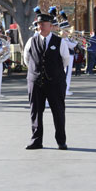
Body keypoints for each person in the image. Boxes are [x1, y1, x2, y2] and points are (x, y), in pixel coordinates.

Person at [23, 12, 70, 150]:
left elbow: (65, 60)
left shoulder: (60, 42)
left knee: (58, 111)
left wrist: (53, 72)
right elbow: (27, 59)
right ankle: (36, 140)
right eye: (38, 24)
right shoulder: (31, 41)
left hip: (55, 82)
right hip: (36, 81)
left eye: (43, 24)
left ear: (51, 26)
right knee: (36, 111)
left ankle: (61, 140)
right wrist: (36, 72)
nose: (40, 26)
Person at [59, 11, 77, 96]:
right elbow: (72, 45)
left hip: (70, 56)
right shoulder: (63, 39)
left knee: (68, 73)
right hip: (67, 56)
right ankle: (65, 89)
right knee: (67, 73)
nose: (68, 32)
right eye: (67, 30)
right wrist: (76, 40)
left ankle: (66, 88)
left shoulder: (66, 38)